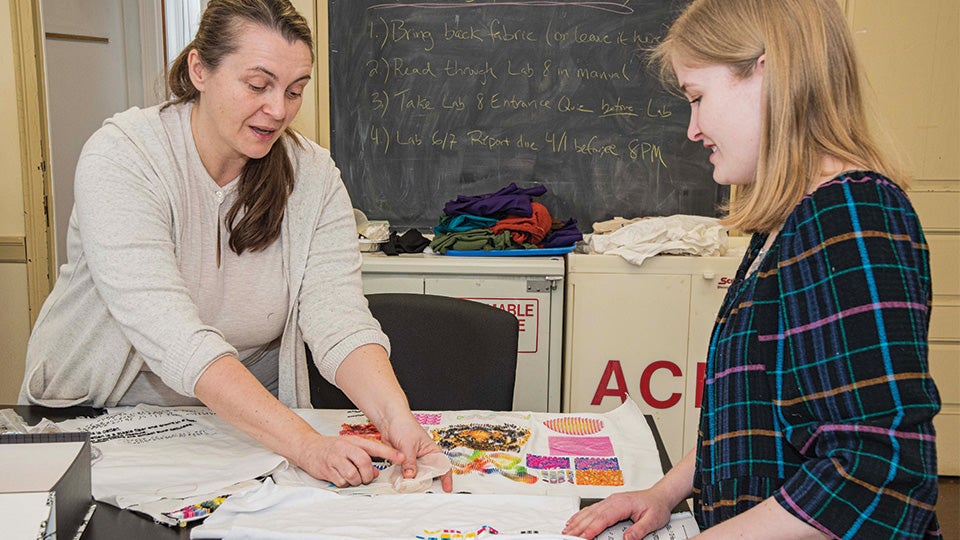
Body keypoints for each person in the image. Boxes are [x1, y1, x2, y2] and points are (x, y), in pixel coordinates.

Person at [19, 0, 452, 492]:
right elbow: (174, 333)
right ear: (199, 68)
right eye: (257, 85)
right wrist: (306, 443)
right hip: (108, 421)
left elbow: (339, 320)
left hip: (249, 432)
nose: (278, 110)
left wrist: (397, 418)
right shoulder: (125, 155)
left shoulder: (312, 176)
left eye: (294, 91)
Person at [564, 0, 941, 538]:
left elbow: (874, 475)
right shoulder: (787, 222)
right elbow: (756, 420)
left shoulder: (850, 217)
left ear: (769, 74)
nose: (692, 129)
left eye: (698, 98)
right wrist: (664, 492)